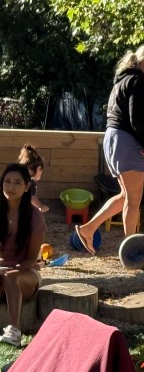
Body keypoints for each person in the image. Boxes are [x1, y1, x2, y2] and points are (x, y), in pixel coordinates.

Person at [76, 44, 144, 255]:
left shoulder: (123, 80)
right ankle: (131, 249)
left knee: (126, 196)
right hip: (126, 141)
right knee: (134, 199)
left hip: (113, 139)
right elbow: (137, 122)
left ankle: (88, 229)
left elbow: (128, 115)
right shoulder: (140, 81)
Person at [0, 163, 47, 347]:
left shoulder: (35, 216)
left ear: (27, 186)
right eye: (7, 181)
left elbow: (30, 260)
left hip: (26, 274)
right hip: (2, 271)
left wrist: (7, 271)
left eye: (17, 183)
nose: (10, 187)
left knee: (10, 277)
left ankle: (14, 330)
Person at [17, 144, 49, 213]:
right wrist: (40, 206)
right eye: (41, 171)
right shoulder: (31, 183)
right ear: (39, 169)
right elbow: (32, 197)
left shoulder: (19, 178)